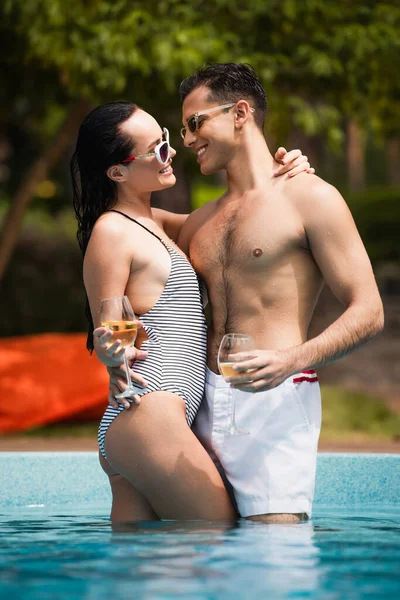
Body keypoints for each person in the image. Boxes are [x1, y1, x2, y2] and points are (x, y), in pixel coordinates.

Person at [112, 63, 384, 524]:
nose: (187, 139)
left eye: (195, 123)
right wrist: (113, 341)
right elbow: (120, 224)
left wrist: (292, 359)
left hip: (273, 402)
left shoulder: (311, 198)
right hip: (199, 402)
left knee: (272, 559)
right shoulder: (197, 223)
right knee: (197, 563)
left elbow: (370, 311)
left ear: (240, 113)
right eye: (181, 128)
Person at [71, 100, 311, 522]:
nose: (172, 151)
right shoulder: (112, 232)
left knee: (146, 576)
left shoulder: (157, 224)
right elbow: (108, 326)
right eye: (157, 150)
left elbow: (232, 220)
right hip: (149, 414)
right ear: (118, 172)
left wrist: (277, 173)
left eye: (165, 139)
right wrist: (109, 348)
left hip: (145, 422)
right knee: (219, 539)